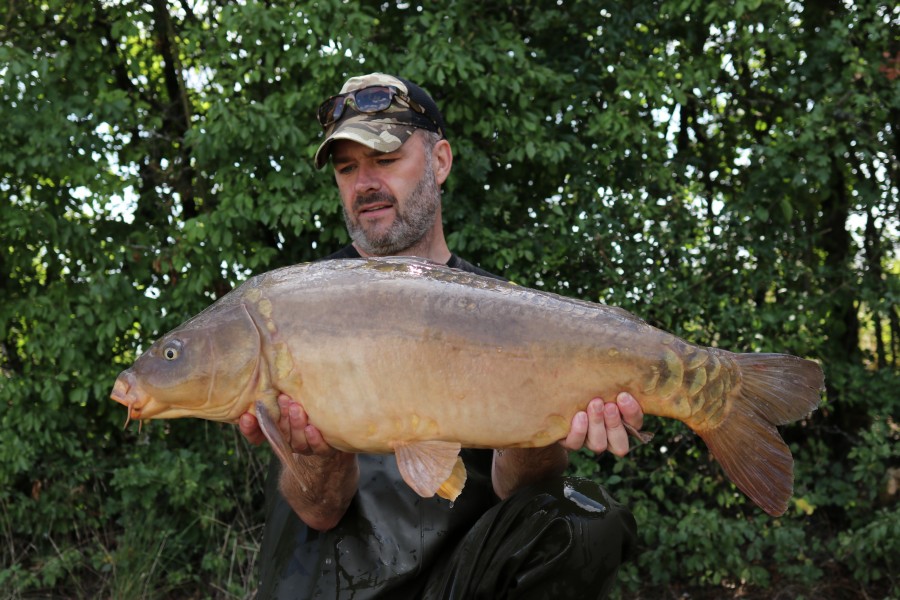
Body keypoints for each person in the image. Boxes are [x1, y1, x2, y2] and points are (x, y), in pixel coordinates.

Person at [239, 73, 644, 599]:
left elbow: (519, 494)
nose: (364, 184)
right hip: (328, 584)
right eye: (346, 168)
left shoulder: (503, 309)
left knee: (585, 520)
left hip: (461, 583)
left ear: (441, 161)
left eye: (384, 160)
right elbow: (318, 509)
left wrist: (547, 425)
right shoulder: (297, 307)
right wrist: (317, 449)